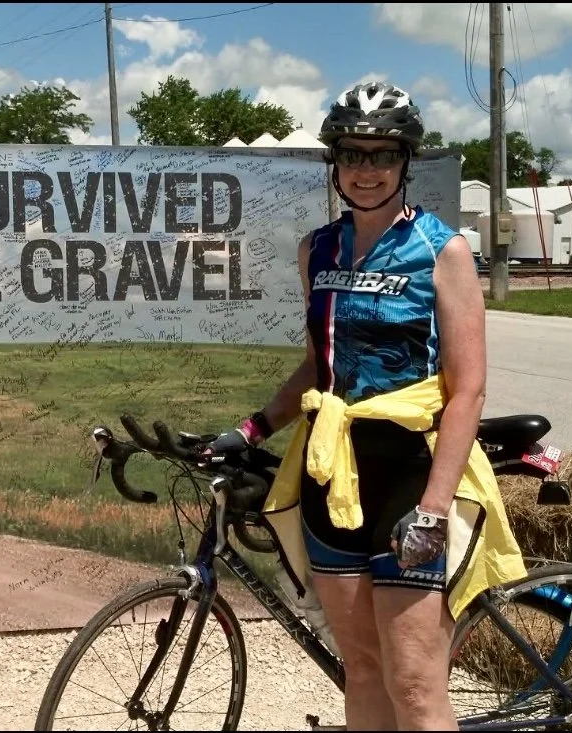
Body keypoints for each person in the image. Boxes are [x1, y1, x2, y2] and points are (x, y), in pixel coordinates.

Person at [204, 81, 527, 731]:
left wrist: (434, 510)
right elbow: (317, 367)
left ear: (405, 161)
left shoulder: (443, 251)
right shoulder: (316, 250)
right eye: (352, 154)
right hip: (334, 476)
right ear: (335, 164)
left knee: (413, 681)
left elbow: (466, 389)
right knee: (363, 667)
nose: (367, 169)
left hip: (410, 474)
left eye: (382, 154)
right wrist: (255, 425)